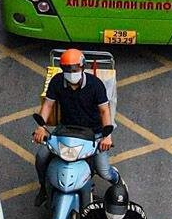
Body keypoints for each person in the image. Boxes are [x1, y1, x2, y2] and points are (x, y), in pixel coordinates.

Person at [33, 48, 118, 195]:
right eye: (67, 69)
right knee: (41, 157)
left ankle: (118, 181)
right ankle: (43, 188)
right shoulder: (57, 82)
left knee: (104, 171)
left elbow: (105, 111)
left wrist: (107, 136)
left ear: (82, 67)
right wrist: (41, 127)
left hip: (94, 133)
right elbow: (48, 105)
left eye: (75, 68)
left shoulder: (96, 85)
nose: (71, 72)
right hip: (66, 130)